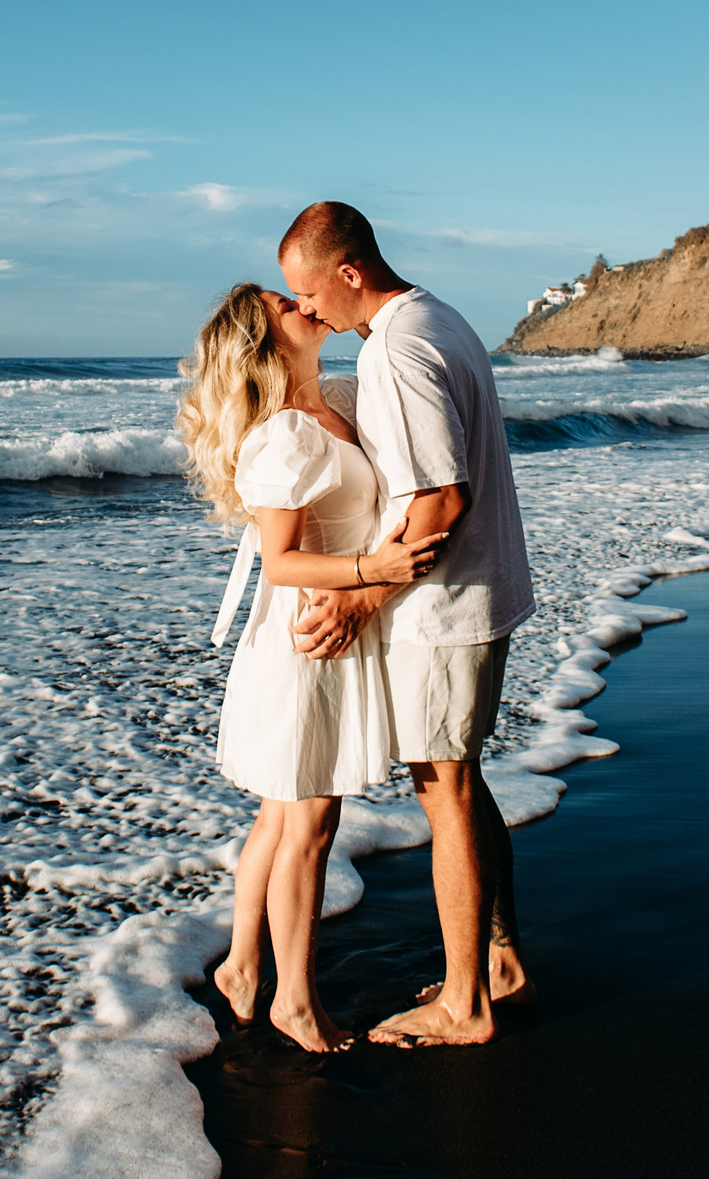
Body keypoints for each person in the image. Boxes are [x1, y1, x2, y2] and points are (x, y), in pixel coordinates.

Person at [278, 201, 537, 1047]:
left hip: (445, 604)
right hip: (478, 591)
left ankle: (465, 1003)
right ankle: (496, 961)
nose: (308, 312)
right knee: (461, 778)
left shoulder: (397, 347)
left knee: (446, 790)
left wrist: (358, 598)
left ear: (349, 273)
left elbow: (439, 497)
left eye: (309, 294)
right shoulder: (439, 316)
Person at [175, 280, 444, 1053]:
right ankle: (295, 999)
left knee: (279, 813)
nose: (303, 301)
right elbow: (283, 561)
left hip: (326, 633)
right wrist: (376, 568)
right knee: (310, 820)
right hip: (304, 642)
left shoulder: (336, 398)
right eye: (284, 304)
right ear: (266, 342)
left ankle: (243, 966)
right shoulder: (285, 433)